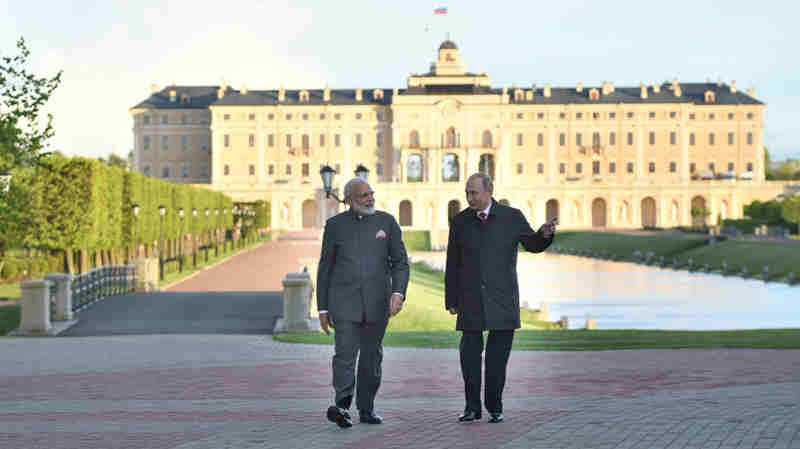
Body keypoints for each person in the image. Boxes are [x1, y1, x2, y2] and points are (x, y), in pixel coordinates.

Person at [445, 173, 557, 423]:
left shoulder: (512, 217)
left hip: (503, 298)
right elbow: (453, 262)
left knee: (497, 360)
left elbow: (532, 244)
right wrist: (451, 299)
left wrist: (545, 234)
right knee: (470, 357)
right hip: (470, 298)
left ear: (489, 191)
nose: (469, 197)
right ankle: (472, 408)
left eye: (474, 193)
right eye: (467, 193)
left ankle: (494, 407)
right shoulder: (461, 221)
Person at [317, 177, 410, 428]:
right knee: (344, 354)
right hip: (344, 303)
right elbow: (325, 267)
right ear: (348, 200)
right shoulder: (335, 225)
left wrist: (398, 293)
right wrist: (323, 308)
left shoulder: (386, 222)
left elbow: (400, 262)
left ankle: (367, 409)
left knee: (372, 357)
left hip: (378, 303)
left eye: (371, 193)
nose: (370, 198)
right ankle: (343, 406)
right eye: (363, 195)